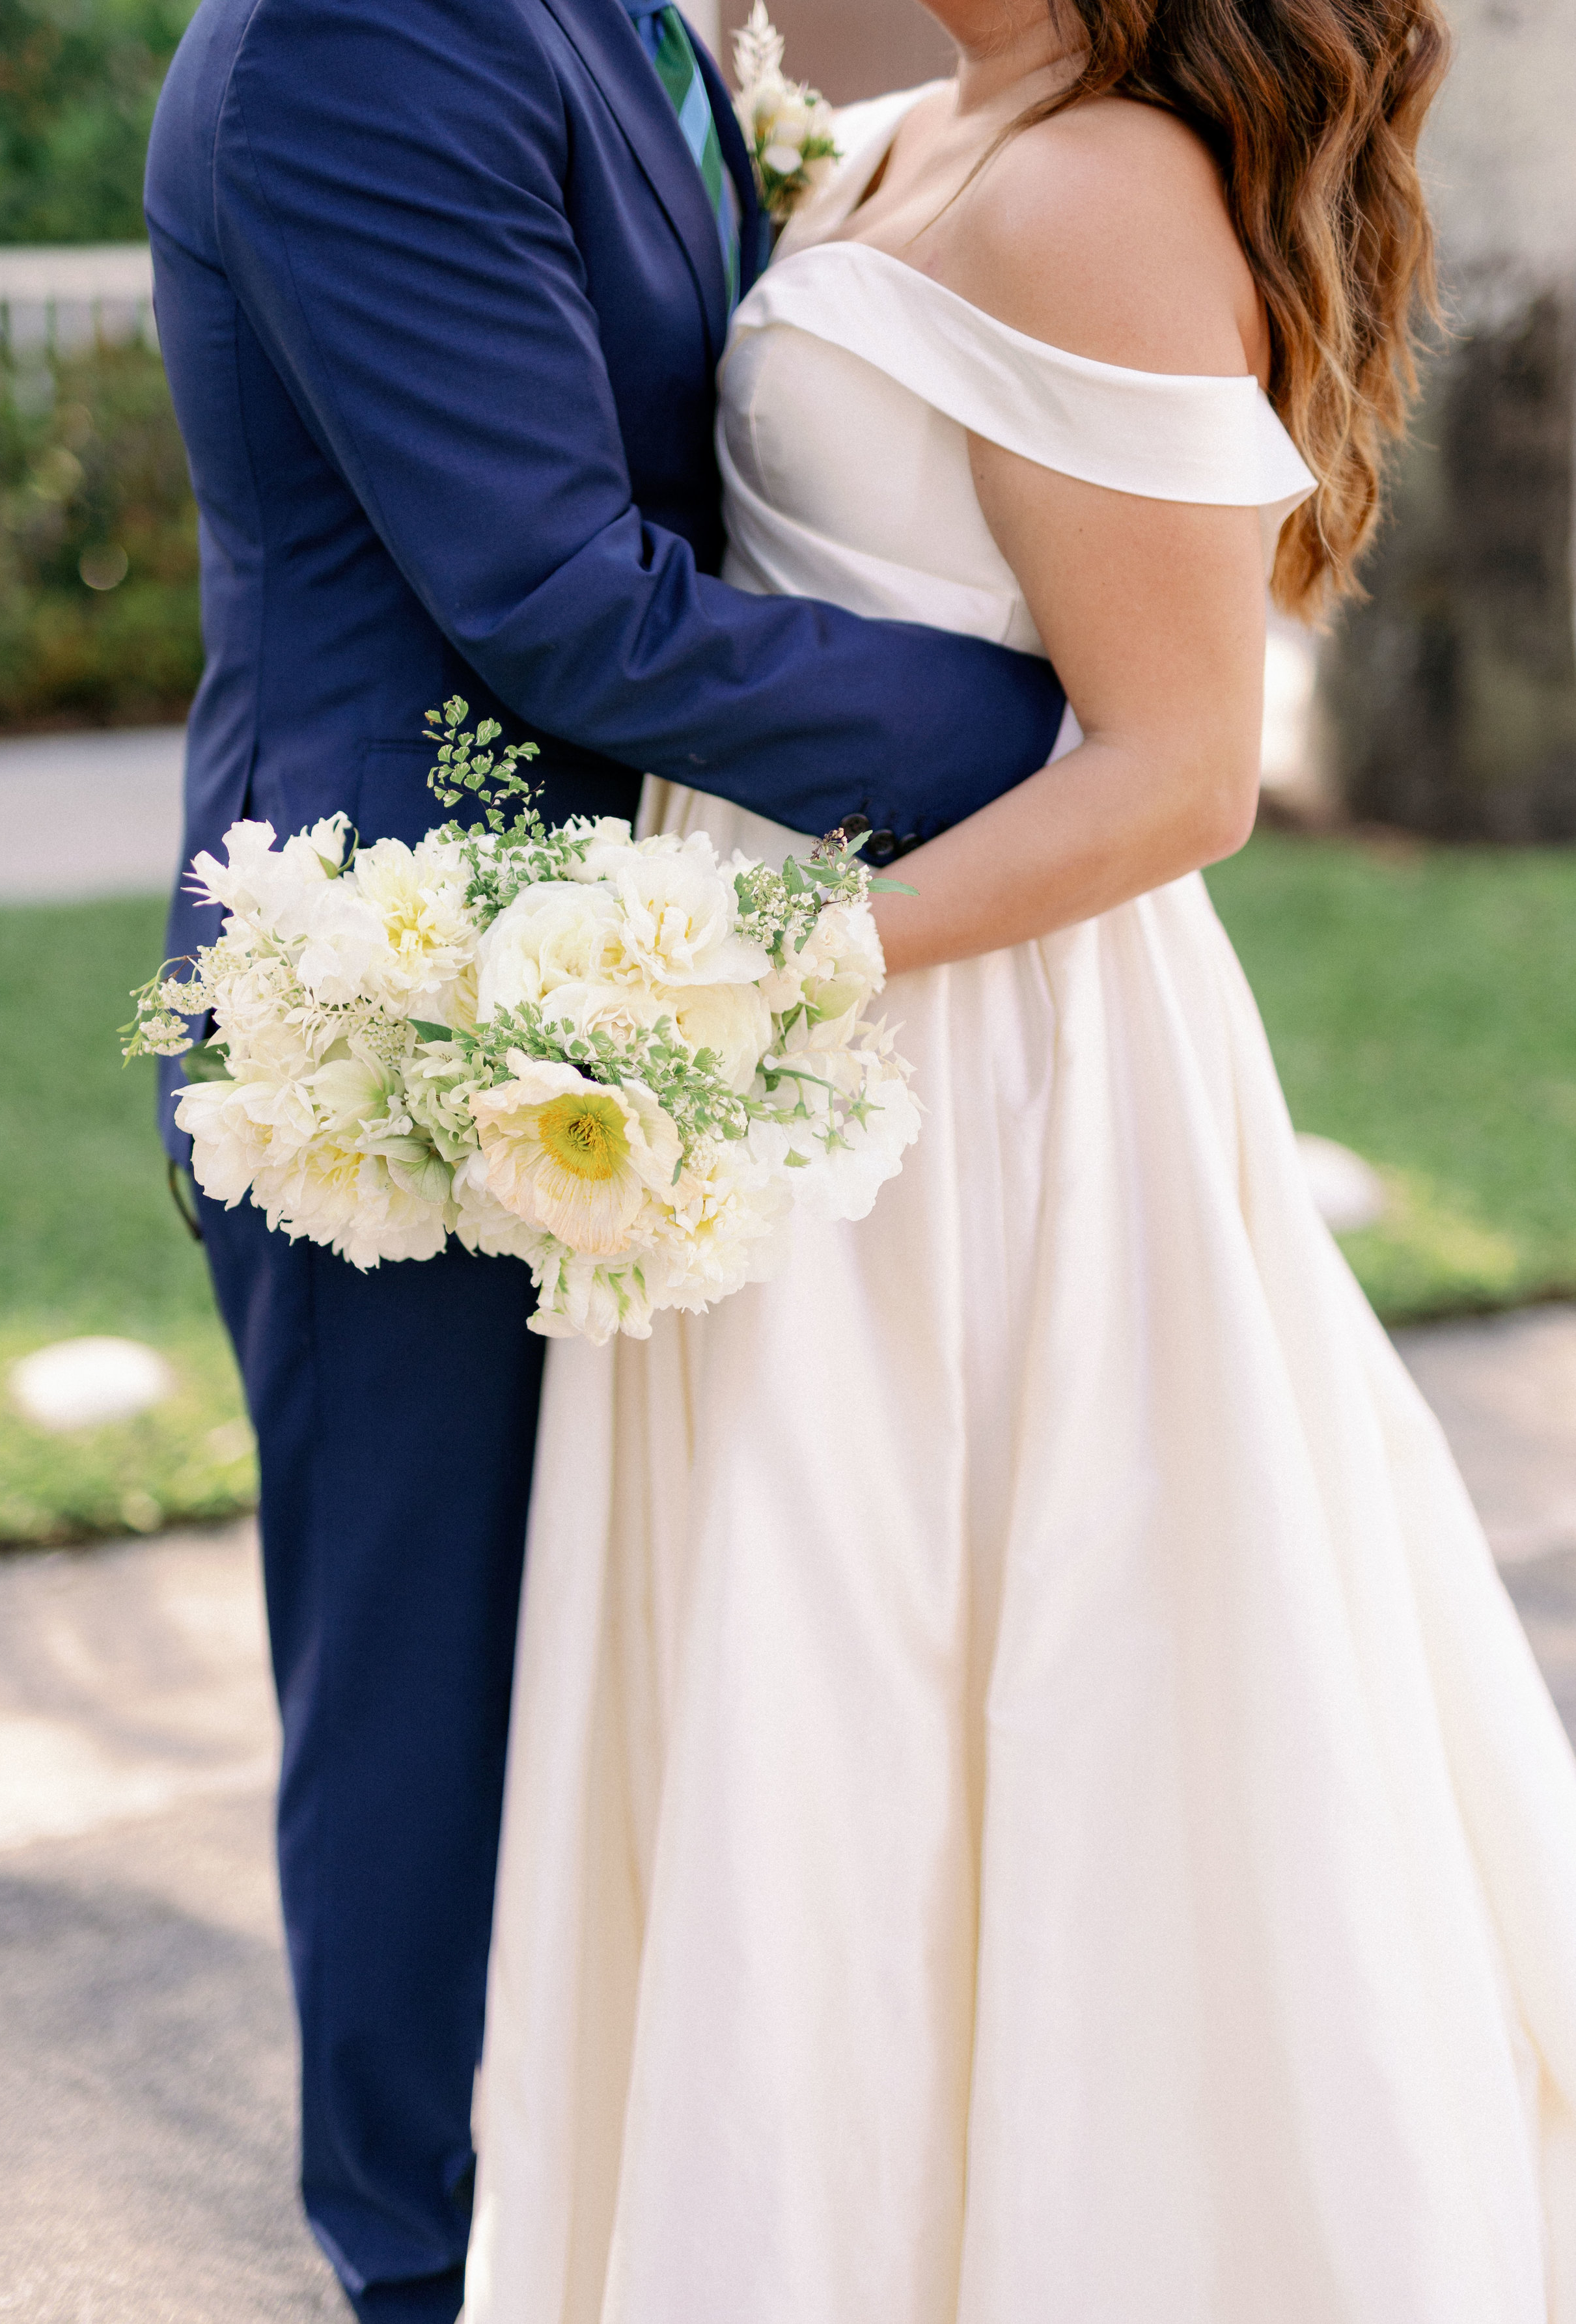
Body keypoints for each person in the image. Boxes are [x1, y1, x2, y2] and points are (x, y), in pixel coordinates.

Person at [465, 3, 1576, 2317]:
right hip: (789, 991)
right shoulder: (900, 132)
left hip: (965, 1057)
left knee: (981, 1668)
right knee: (779, 1690)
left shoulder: (1108, 192)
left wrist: (760, 991)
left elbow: (1176, 769)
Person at [141, 1, 1068, 2317]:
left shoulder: (619, 13)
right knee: (430, 1699)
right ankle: (425, 2266)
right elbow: (556, 595)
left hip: (650, 978)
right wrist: (1055, 722)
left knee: (638, 1662)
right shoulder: (361, 40)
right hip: (414, 1011)